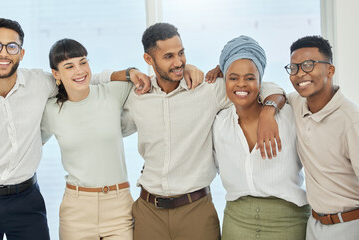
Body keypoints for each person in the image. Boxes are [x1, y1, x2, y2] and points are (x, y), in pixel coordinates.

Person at [0, 18, 157, 240]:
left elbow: (80, 79)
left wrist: (126, 73)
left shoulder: (39, 83)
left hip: (26, 200)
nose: (4, 52)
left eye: (12, 47)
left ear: (21, 53)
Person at [115, 23, 286, 240]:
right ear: (149, 60)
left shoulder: (207, 90)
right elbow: (111, 125)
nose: (178, 62)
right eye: (168, 56)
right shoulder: (138, 96)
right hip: (149, 211)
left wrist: (269, 111)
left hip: (195, 210)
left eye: (181, 53)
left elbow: (263, 87)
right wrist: (128, 73)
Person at [213, 35, 310, 240]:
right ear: (225, 80)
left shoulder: (289, 117)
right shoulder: (219, 123)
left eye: (250, 78)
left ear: (260, 80)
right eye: (233, 78)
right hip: (236, 222)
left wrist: (269, 110)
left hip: (288, 222)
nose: (242, 84)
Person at [40, 38, 135, 239]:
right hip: (76, 211)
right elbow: (27, 143)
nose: (80, 70)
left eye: (83, 62)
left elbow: (148, 83)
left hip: (118, 207)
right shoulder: (50, 110)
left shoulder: (112, 93)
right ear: (56, 74)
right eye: (69, 66)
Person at [284, 35, 359, 240]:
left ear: (330, 70)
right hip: (314, 225)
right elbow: (268, 90)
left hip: (350, 226)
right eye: (294, 68)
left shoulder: (351, 120)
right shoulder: (297, 103)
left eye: (308, 65)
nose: (300, 74)